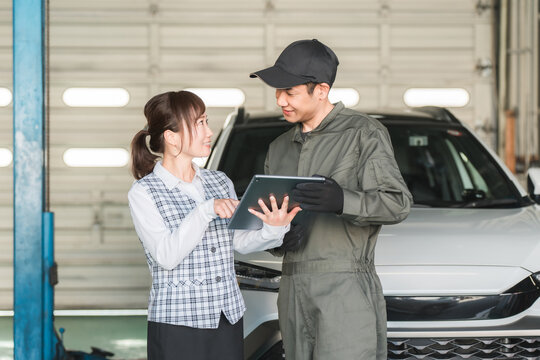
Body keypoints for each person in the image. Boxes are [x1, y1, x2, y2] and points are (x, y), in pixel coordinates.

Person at [250, 39, 412, 359]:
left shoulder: (364, 134)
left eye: (290, 92)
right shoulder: (279, 147)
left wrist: (342, 201)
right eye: (277, 91)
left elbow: (397, 202)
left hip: (345, 288)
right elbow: (267, 219)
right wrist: (278, 239)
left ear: (321, 90)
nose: (280, 100)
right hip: (292, 287)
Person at [128, 90, 301, 360]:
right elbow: (166, 256)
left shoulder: (219, 181)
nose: (209, 132)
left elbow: (239, 242)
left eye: (206, 121)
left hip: (226, 316)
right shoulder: (144, 192)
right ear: (172, 138)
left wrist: (274, 229)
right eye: (199, 123)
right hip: (178, 322)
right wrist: (205, 210)